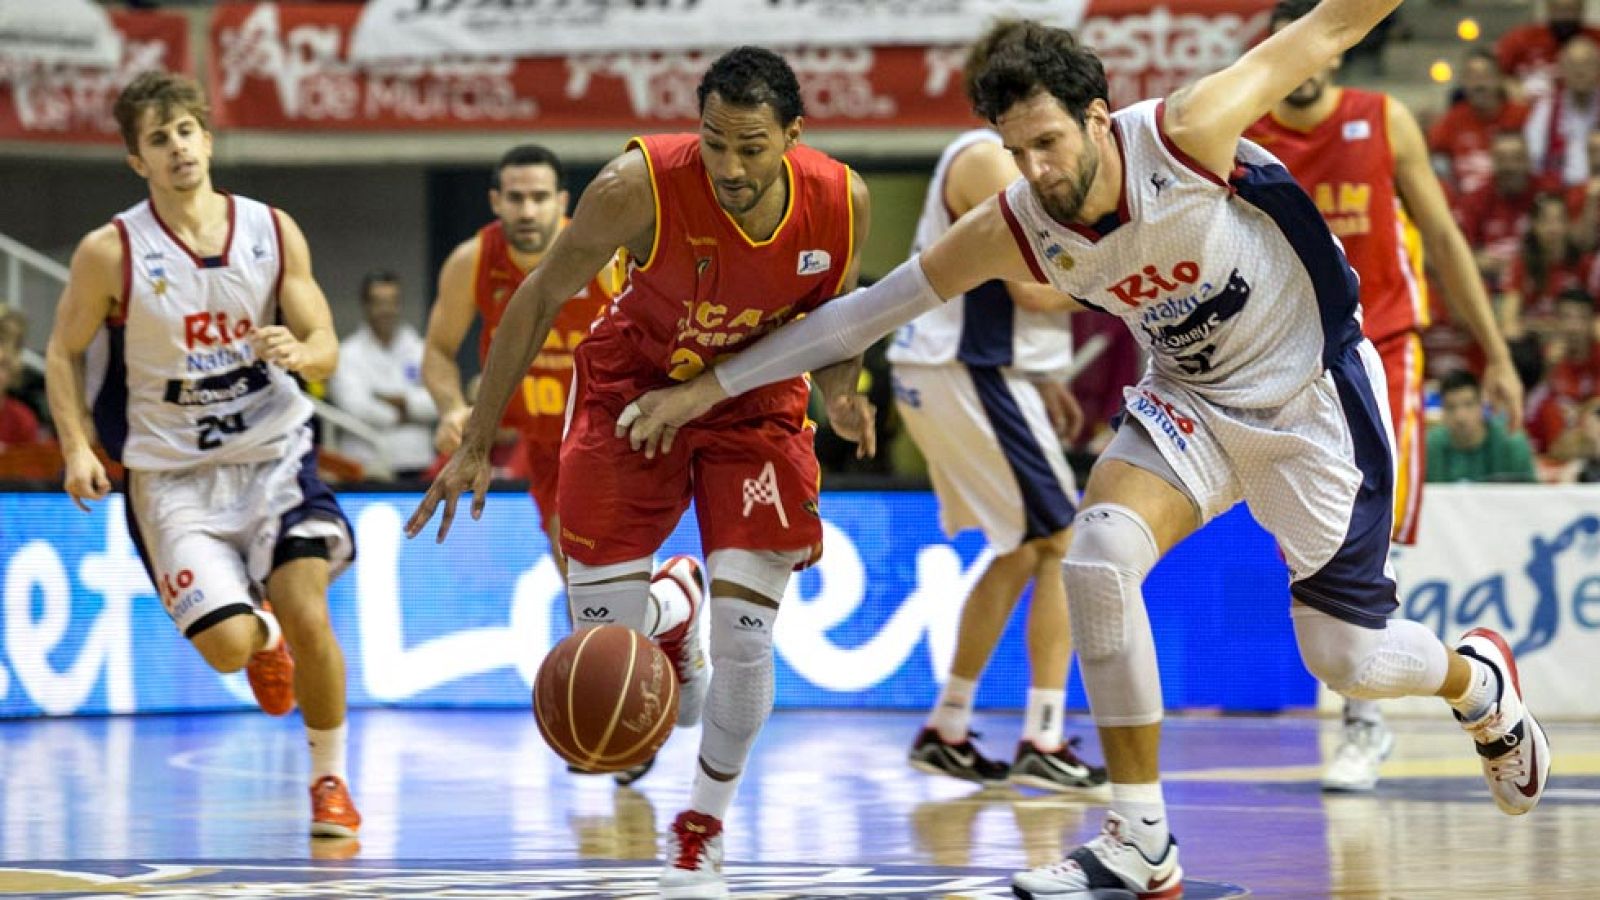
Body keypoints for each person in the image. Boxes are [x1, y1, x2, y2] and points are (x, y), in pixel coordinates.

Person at [618, 14, 1549, 897]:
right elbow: (860, 315)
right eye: (1016, 151)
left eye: (1048, 144)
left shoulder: (1187, 130)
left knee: (1348, 658)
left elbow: (1333, 26)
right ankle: (1141, 840)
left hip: (1310, 394)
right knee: (1096, 557)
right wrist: (701, 391)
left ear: (1099, 118)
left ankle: (1479, 682)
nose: (1035, 170)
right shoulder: (1018, 220)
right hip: (1191, 402)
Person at [407, 47, 874, 898]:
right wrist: (474, 440)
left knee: (745, 641)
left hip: (754, 403)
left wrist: (843, 391)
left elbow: (833, 323)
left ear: (793, 136)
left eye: (752, 147)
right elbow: (539, 297)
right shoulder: (637, 185)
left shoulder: (842, 200)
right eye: (715, 143)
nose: (730, 167)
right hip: (631, 391)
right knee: (605, 648)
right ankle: (669, 608)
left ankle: (701, 830)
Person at [43, 72, 360, 837]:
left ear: (208, 141)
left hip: (274, 455)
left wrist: (303, 351)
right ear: (137, 161)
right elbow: (61, 352)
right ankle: (263, 638)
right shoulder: (110, 251)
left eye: (186, 131)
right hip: (172, 479)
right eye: (159, 138)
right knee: (226, 648)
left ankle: (329, 781)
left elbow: (325, 341)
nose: (178, 147)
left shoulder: (270, 230)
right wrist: (78, 447)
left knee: (307, 606)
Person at [1245, 0, 1523, 794]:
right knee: (1310, 543)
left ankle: (1364, 724)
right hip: (1287, 360)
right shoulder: (1245, 133)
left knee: (1372, 527)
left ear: (1332, 49)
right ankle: (1387, 695)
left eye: (1311, 43)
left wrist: (1495, 352)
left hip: (1384, 344)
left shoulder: (1383, 118)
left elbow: (1443, 238)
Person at [891, 42, 1105, 795]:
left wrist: (1038, 374)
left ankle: (948, 727)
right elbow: (1036, 290)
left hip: (965, 369)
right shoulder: (987, 160)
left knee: (1021, 549)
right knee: (1065, 544)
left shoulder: (990, 156)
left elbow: (1019, 294)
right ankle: (1043, 736)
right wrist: (1137, 276)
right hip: (963, 369)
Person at [422, 144, 625, 570]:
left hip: (603, 430)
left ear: (562, 201)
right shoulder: (473, 260)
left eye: (539, 197)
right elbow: (439, 350)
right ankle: (667, 599)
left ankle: (666, 598)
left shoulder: (601, 256)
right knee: (570, 564)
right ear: (496, 201)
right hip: (541, 442)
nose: (528, 211)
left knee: (585, 552)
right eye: (516, 198)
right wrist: (451, 408)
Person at [330, 270, 437, 479]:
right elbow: (355, 406)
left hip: (417, 463)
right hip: (365, 467)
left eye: (392, 302)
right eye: (379, 302)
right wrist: (404, 412)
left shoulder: (420, 349)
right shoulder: (347, 353)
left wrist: (402, 402)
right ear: (366, 305)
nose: (386, 310)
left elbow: (437, 402)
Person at [1428, 49, 1531, 199]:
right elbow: (1428, 156)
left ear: (1499, 79)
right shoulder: (1453, 119)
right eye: (1472, 77)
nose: (1479, 84)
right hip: (1466, 205)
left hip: (1511, 203)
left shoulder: (1522, 116)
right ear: (1463, 83)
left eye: (1485, 76)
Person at [1429, 371, 1538, 483]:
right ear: (1442, 411)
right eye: (1450, 407)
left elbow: (1532, 492)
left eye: (1468, 404)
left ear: (1481, 405)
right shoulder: (1429, 448)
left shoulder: (1511, 443)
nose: (1460, 417)